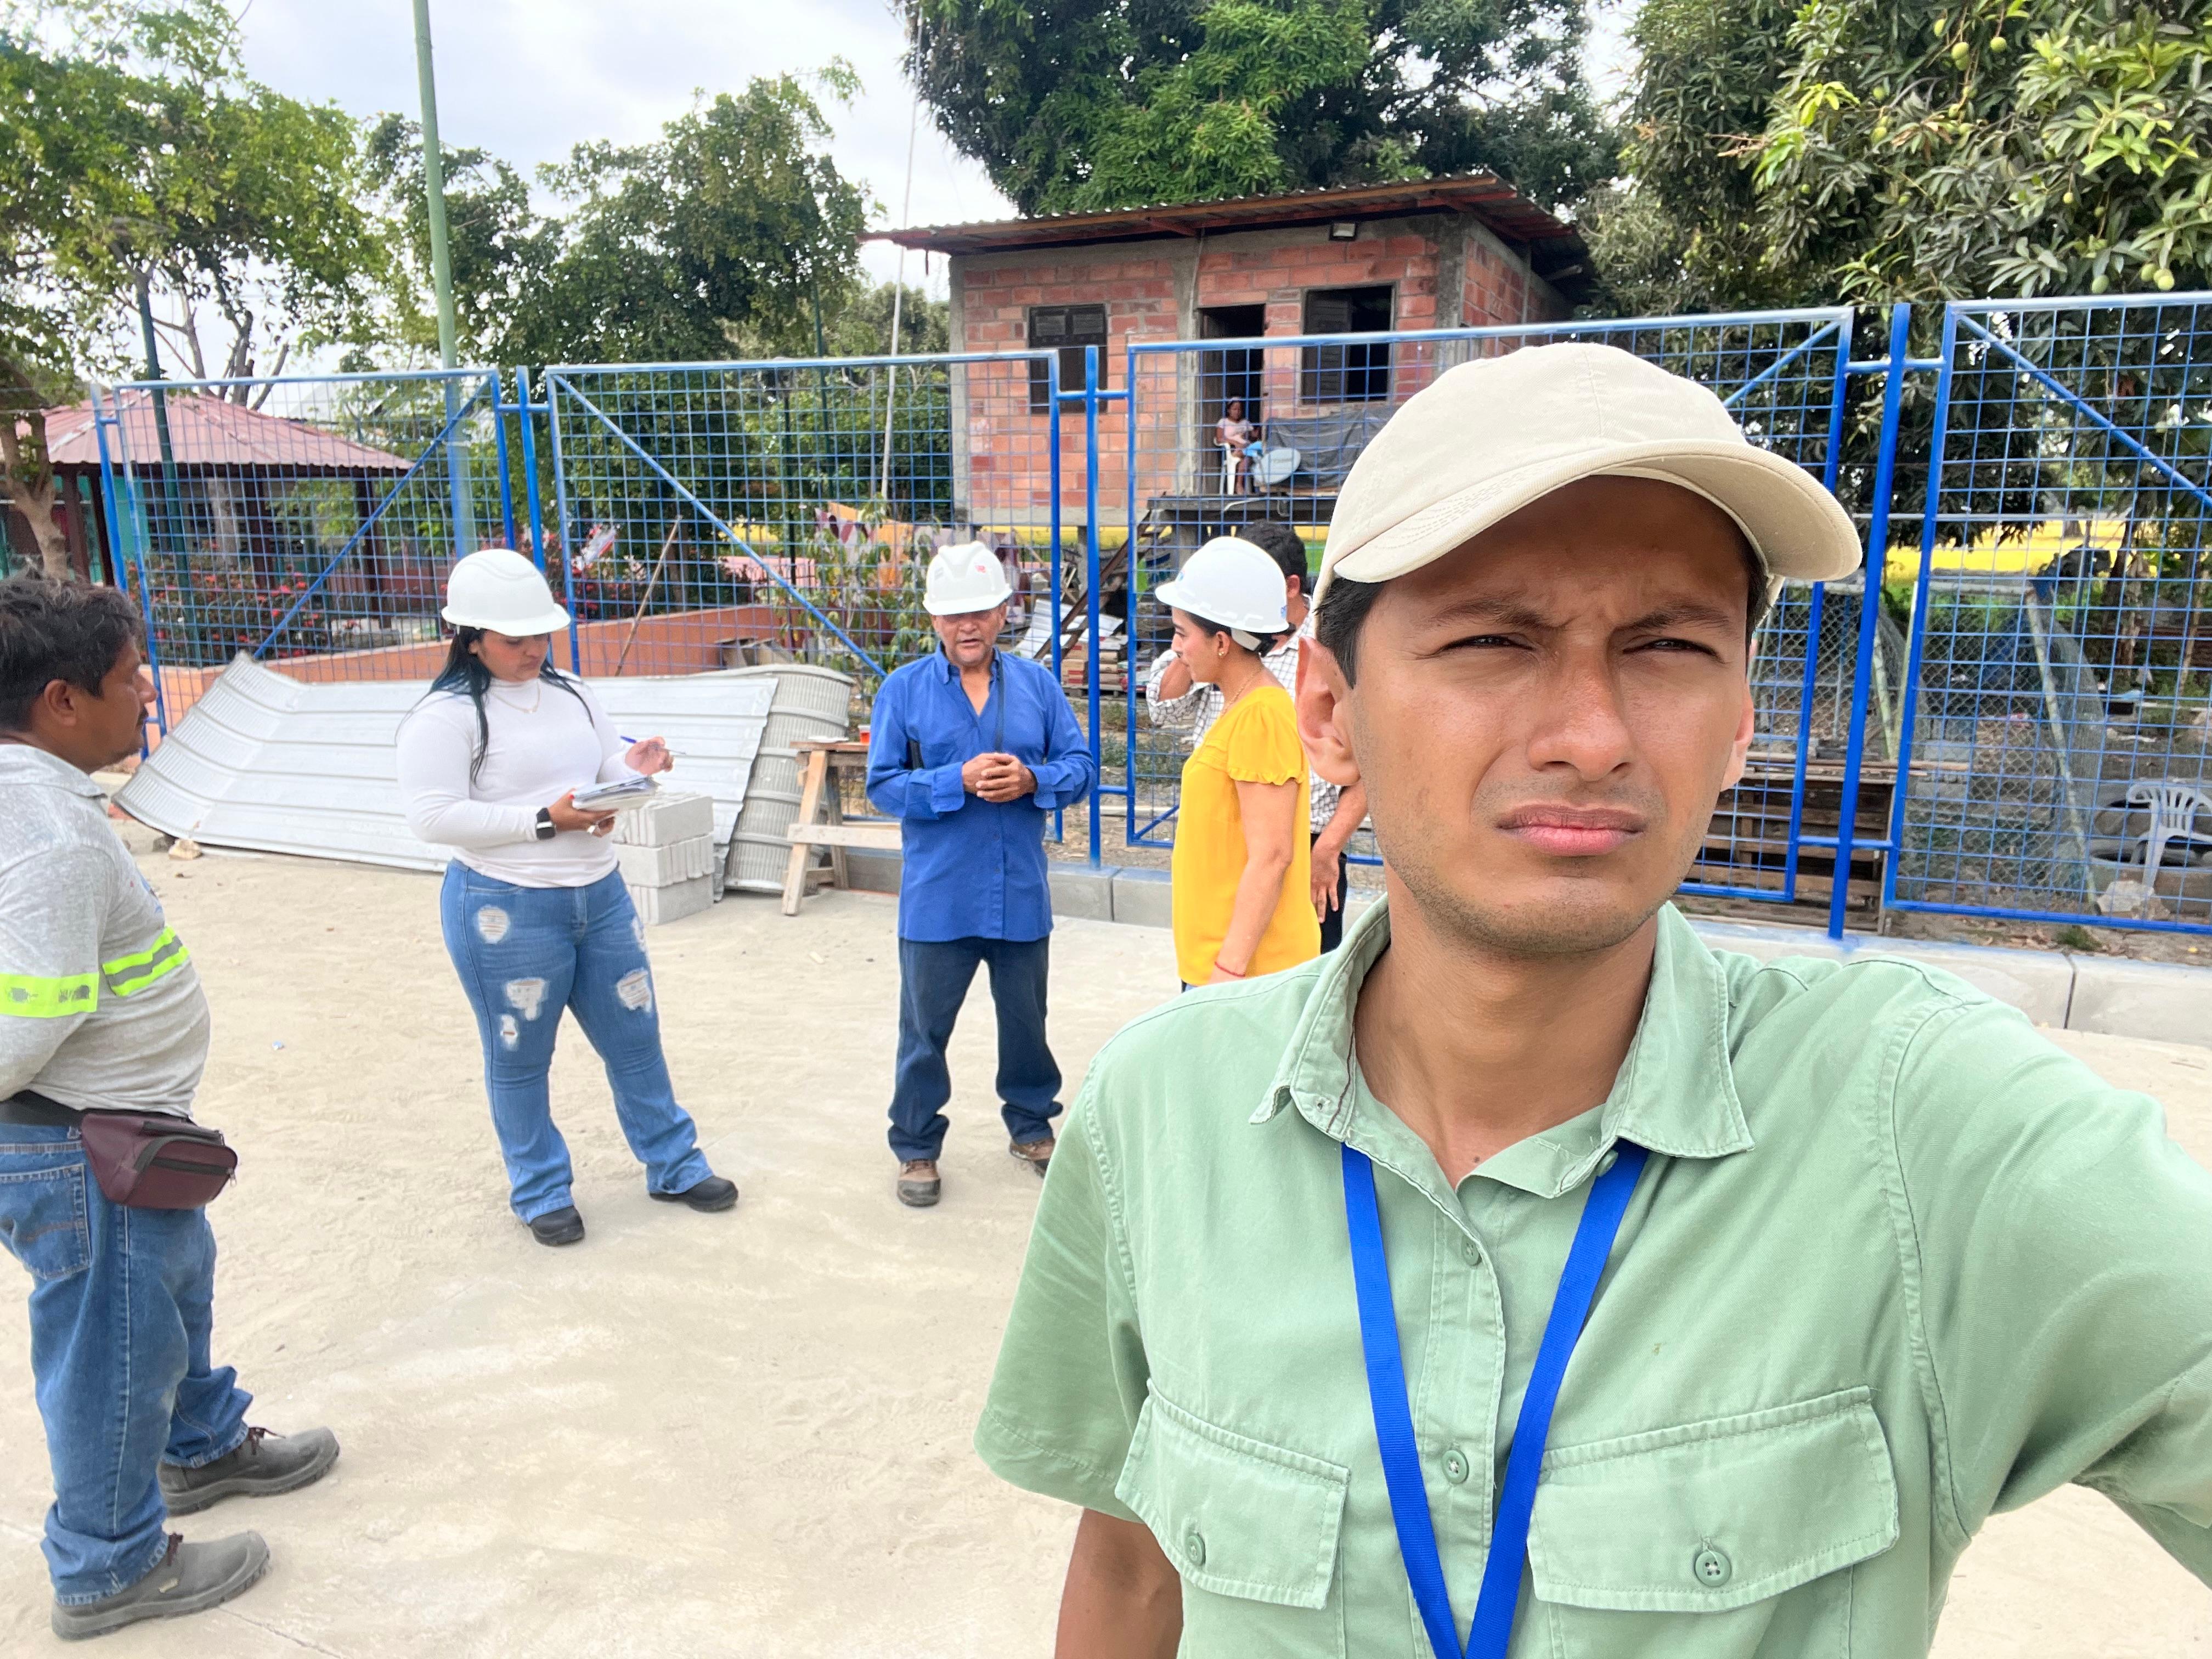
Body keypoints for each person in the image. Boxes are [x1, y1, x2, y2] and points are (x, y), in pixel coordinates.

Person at [975, 345, 2212, 1655]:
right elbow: (1131, 1568)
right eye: (1492, 640)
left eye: (1668, 645)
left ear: (1740, 720)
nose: (1593, 735)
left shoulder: (1932, 1137)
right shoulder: (1160, 1114)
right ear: (1329, 712)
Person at [0, 574, 340, 1640]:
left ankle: (200, 1445)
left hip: (124, 1130)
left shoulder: (39, 799)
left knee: (171, 1294)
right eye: (128, 674)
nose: (148, 689)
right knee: (115, 1345)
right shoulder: (47, 835)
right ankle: (109, 1564)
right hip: (79, 1144)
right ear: (61, 701)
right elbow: (27, 1021)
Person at [397, 549, 736, 1247]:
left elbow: (600, 762)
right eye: (514, 640)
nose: (533, 651)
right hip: (505, 909)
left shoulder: (572, 693)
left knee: (636, 1041)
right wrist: (547, 821)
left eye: (541, 636)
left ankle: (674, 1165)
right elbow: (433, 816)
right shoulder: (445, 717)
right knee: (520, 1056)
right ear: (469, 638)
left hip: (600, 896)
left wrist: (631, 769)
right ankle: (541, 1189)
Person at [865, 542, 1098, 1208]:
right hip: (939, 897)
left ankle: (1031, 1125)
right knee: (924, 1031)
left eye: (980, 612)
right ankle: (916, 1145)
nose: (967, 626)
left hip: (1018, 891)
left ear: (1003, 612)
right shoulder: (904, 690)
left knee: (1026, 1022)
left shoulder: (1037, 687)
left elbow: (1081, 766)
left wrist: (1034, 779)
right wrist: (954, 781)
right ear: (934, 620)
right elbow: (882, 785)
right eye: (952, 615)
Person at [1145, 518, 1369, 950]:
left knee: (1294, 971)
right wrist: (1194, 637)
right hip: (1230, 845)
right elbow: (1163, 709)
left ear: (1289, 586)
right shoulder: (1220, 652)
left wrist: (1326, 850)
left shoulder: (1330, 649)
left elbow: (1369, 764)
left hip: (1306, 846)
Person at [1154, 537, 1322, 988]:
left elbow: (1272, 856)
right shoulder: (1241, 706)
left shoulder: (1261, 717)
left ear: (1222, 642)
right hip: (1226, 965)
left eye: (1182, 633)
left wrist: (1228, 970)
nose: (1176, 647)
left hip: (1246, 973)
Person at [1214, 399, 1257, 494]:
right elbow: (1219, 439)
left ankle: (1239, 485)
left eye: (1239, 409)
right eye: (1234, 409)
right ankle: (1239, 485)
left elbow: (1255, 436)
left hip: (1246, 448)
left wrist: (1248, 434)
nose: (1237, 412)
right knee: (1249, 454)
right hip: (1233, 450)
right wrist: (1235, 443)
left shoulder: (1245, 422)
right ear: (1229, 410)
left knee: (1250, 454)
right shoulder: (1223, 422)